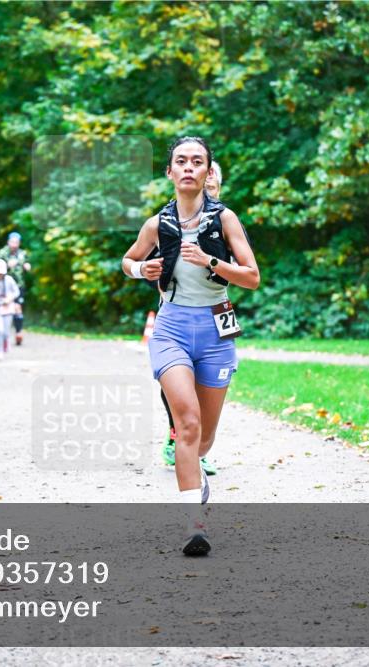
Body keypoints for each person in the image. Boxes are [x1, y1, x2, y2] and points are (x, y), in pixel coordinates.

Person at [122, 137, 259, 556]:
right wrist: (140, 269)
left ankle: (195, 470)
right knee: (187, 425)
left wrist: (211, 261)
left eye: (196, 162)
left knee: (204, 439)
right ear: (169, 172)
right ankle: (193, 526)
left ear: (207, 172)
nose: (187, 168)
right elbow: (127, 261)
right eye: (180, 161)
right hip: (172, 329)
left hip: (217, 331)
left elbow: (252, 276)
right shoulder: (156, 224)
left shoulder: (225, 219)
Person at [160, 159, 225, 474]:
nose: (208, 187)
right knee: (178, 377)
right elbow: (153, 264)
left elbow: (245, 271)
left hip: (217, 312)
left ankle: (199, 445)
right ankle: (178, 436)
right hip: (176, 311)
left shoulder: (223, 221)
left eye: (213, 183)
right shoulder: (168, 221)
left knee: (209, 383)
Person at [0, 231, 31, 345]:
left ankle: (18, 333)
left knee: (17, 308)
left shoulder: (22, 253)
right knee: (4, 309)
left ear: (19, 243)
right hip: (4, 286)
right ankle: (2, 333)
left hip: (19, 285)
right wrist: (6, 265)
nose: (14, 244)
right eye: (12, 242)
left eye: (16, 242)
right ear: (8, 242)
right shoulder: (2, 253)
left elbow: (27, 264)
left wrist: (27, 266)